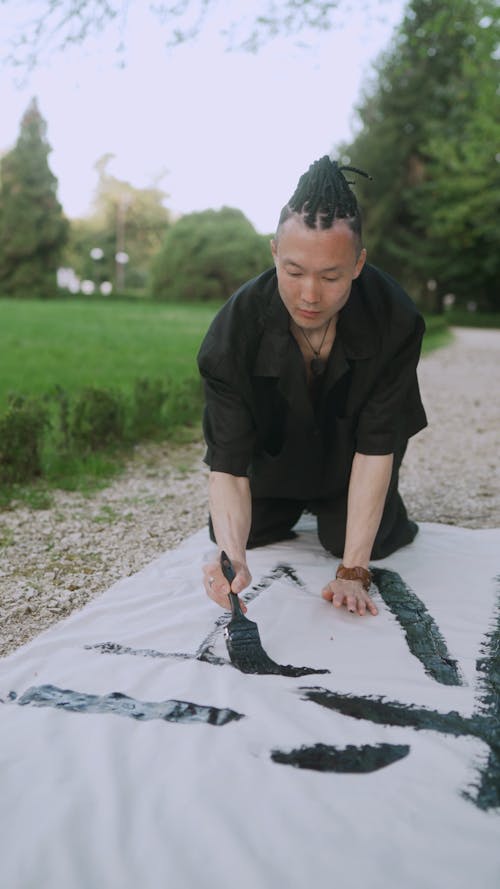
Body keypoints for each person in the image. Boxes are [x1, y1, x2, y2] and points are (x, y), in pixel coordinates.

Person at [197, 156, 427, 618]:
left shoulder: (395, 320)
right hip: (272, 463)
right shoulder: (233, 332)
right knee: (239, 532)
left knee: (359, 542)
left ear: (358, 264)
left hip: (351, 462)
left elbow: (379, 444)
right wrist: (233, 557)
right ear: (273, 254)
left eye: (330, 276)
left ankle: (356, 517)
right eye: (294, 271)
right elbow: (228, 463)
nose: (309, 295)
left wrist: (353, 570)